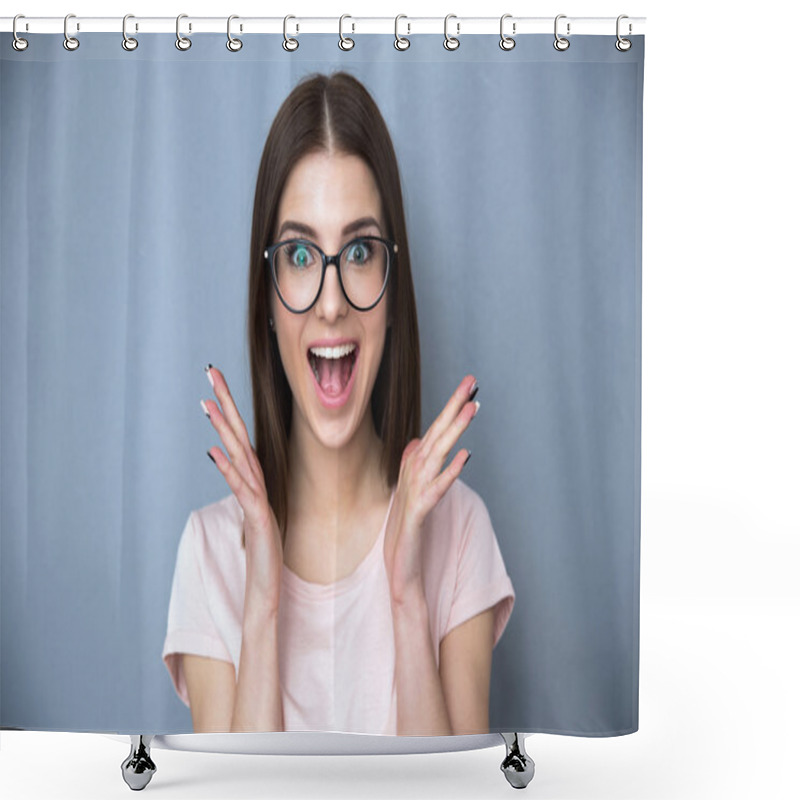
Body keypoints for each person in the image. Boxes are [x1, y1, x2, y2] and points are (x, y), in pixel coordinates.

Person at [161, 71, 515, 736]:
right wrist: (262, 604)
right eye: (298, 253)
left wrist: (407, 597)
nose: (330, 302)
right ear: (266, 296)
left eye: (357, 251)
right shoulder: (209, 553)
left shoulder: (462, 532)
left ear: (393, 283)